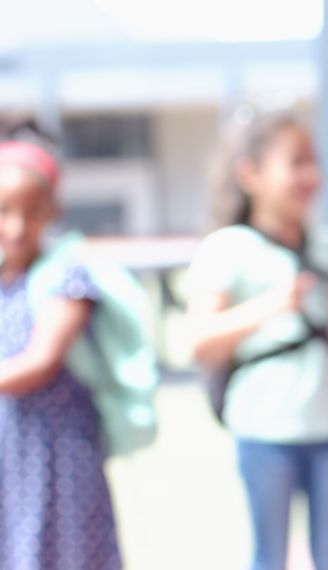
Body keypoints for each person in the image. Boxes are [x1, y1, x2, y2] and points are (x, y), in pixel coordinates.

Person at [186, 107, 328, 570]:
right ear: (249, 174)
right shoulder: (227, 248)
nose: (311, 174)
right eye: (296, 162)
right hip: (264, 427)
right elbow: (201, 340)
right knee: (268, 555)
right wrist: (270, 307)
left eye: (313, 161)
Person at [0, 123, 123, 569]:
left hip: (59, 455)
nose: (16, 225)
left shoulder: (67, 277)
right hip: (10, 454)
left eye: (29, 211)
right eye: (4, 210)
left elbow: (41, 361)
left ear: (51, 210)